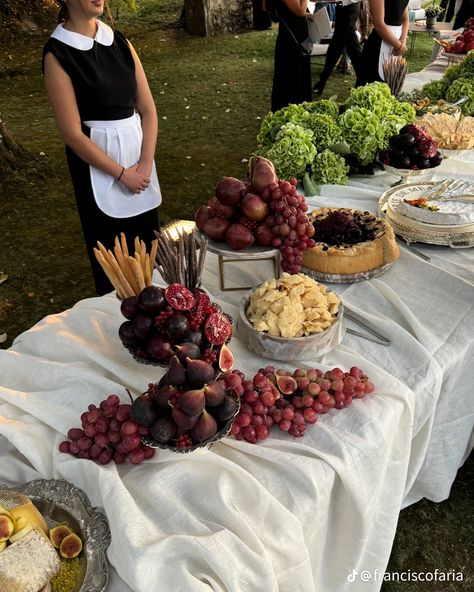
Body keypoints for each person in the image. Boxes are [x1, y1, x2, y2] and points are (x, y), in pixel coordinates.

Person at [42, 0, 161, 295]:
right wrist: (122, 174)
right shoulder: (58, 54)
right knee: (115, 270)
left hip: (140, 164)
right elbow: (72, 134)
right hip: (99, 171)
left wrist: (145, 163)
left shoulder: (120, 42)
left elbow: (148, 109)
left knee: (151, 259)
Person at [270, 0, 313, 112]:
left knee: (294, 75)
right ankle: (292, 109)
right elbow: (300, 11)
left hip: (293, 36)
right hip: (292, 40)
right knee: (292, 76)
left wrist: (307, 15)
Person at [313, 1, 362, 95]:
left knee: (335, 51)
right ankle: (362, 83)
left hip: (348, 10)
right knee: (354, 52)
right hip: (345, 10)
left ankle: (320, 85)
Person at [356, 0, 409, 86]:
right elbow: (379, 24)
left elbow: (405, 18)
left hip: (397, 43)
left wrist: (403, 41)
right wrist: (399, 45)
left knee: (392, 87)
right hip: (378, 47)